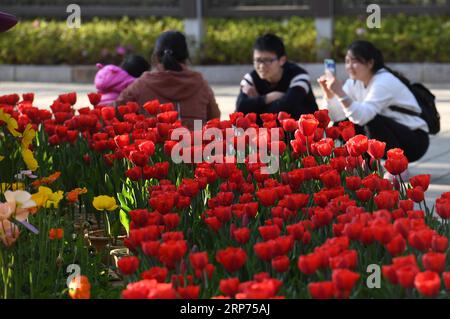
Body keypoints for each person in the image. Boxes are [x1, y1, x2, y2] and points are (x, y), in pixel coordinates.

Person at [317, 40, 429, 162]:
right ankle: (365, 166)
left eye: (354, 61)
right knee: (342, 125)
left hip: (414, 140)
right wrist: (329, 94)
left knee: (371, 120)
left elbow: (364, 117)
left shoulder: (384, 81)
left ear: (370, 63)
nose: (349, 66)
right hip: (393, 134)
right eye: (347, 61)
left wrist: (340, 93)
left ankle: (396, 165)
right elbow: (337, 116)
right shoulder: (354, 82)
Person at [117, 30, 220, 130]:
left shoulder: (141, 85)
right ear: (186, 56)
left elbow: (116, 112)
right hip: (195, 145)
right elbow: (214, 119)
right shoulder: (200, 84)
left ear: (156, 56)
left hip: (154, 147)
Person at [236, 33, 318, 124]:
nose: (262, 66)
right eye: (258, 60)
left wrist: (255, 104)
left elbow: (286, 108)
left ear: (282, 60)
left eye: (268, 60)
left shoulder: (299, 76)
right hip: (267, 134)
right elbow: (240, 108)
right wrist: (267, 98)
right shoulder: (251, 78)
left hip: (303, 134)